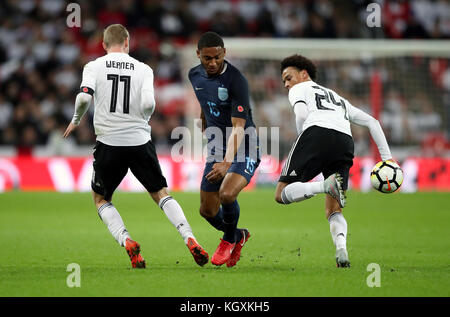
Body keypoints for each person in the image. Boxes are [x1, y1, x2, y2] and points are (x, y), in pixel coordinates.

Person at [63, 24, 208, 269]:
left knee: (101, 199)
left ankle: (127, 240)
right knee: (161, 193)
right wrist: (142, 120)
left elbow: (84, 97)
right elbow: (149, 103)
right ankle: (189, 237)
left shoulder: (94, 66)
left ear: (104, 44)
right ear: (127, 43)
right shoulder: (143, 69)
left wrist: (76, 120)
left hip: (109, 142)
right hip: (140, 141)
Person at [275, 54, 393, 267]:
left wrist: (304, 140)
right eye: (284, 81)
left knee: (281, 194)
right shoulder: (337, 97)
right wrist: (388, 160)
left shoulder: (299, 89)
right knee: (333, 209)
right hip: (345, 142)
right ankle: (342, 251)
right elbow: (372, 122)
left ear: (304, 74)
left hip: (316, 134)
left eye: (288, 77)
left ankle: (324, 185)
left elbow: (301, 114)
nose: (286, 84)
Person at [188, 32, 260, 267]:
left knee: (227, 194)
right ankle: (239, 234)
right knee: (207, 211)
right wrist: (204, 117)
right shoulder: (194, 75)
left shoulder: (236, 80)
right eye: (207, 58)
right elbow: (203, 98)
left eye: (217, 57)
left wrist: (227, 162)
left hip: (245, 144)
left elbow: (239, 126)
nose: (212, 63)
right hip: (217, 146)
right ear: (198, 55)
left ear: (224, 53)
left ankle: (228, 239)